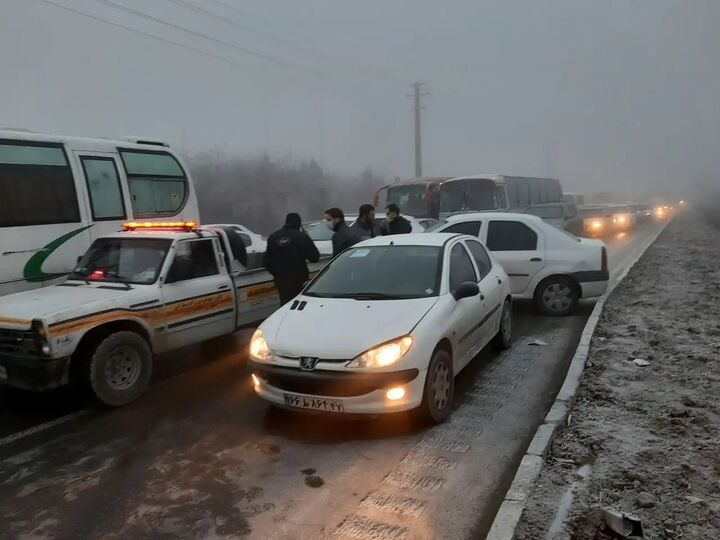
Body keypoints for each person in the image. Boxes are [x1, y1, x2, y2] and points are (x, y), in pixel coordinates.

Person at [264, 213, 320, 305]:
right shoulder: (302, 237)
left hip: (281, 282)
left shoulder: (273, 237)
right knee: (299, 307)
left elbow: (267, 261)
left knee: (285, 306)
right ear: (299, 224)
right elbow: (315, 258)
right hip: (299, 281)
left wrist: (277, 274)